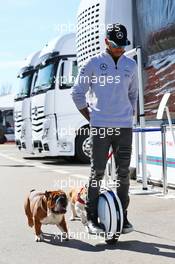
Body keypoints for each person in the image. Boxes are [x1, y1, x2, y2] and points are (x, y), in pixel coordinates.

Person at [72, 23, 139, 235]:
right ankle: (91, 218)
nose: (120, 49)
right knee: (98, 173)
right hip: (100, 127)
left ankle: (122, 215)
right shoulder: (93, 63)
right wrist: (91, 117)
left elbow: (133, 94)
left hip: (124, 128)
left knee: (123, 175)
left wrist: (129, 115)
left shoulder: (131, 64)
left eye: (122, 45)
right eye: (115, 45)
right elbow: (77, 92)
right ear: (106, 42)